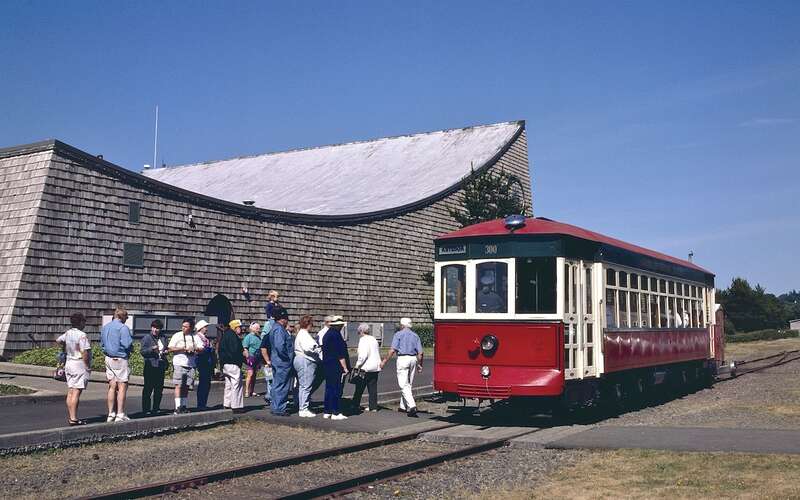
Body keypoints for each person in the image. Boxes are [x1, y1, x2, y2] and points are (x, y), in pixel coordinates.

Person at [381, 317, 423, 417]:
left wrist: (384, 361)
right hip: (413, 358)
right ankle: (402, 406)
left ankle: (412, 406)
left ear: (402, 325)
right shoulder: (415, 335)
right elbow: (420, 353)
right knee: (408, 384)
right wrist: (420, 364)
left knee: (403, 384)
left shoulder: (398, 334)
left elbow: (392, 350)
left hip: (403, 359)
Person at [56, 312, 92, 425]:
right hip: (78, 363)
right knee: (77, 391)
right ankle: (74, 418)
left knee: (71, 390)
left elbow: (58, 340)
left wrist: (64, 348)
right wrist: (87, 366)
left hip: (69, 362)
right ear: (81, 322)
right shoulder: (82, 335)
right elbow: (84, 352)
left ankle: (71, 416)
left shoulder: (68, 333)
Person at [100, 306, 133, 422]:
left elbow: (102, 345)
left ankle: (111, 413)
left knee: (112, 386)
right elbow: (127, 344)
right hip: (120, 358)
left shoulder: (105, 327)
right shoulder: (123, 328)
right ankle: (120, 413)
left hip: (108, 357)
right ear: (122, 316)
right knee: (122, 386)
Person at [168, 318, 204, 414]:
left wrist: (194, 348)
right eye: (183, 326)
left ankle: (183, 405)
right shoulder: (177, 335)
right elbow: (170, 348)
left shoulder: (195, 336)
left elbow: (202, 348)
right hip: (179, 363)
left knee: (186, 386)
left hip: (191, 364)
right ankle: (177, 406)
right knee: (179, 385)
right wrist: (182, 349)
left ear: (191, 327)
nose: (183, 328)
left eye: (186, 327)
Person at [267, 307, 295, 416]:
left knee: (277, 384)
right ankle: (279, 408)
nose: (287, 321)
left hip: (276, 360)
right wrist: (287, 357)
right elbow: (280, 346)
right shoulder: (279, 329)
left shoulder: (274, 328)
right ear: (282, 319)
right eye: (286, 319)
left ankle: (275, 406)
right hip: (282, 362)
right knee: (282, 385)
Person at [321, 315, 349, 420]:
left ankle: (327, 410)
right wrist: (345, 368)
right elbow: (340, 354)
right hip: (336, 365)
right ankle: (336, 411)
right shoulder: (337, 336)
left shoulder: (327, 334)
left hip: (327, 364)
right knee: (337, 388)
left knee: (329, 388)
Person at [293, 315, 321, 417]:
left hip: (300, 359)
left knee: (302, 385)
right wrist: (317, 349)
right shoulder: (304, 334)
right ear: (308, 324)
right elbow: (308, 348)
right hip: (305, 360)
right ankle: (303, 408)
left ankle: (301, 405)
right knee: (306, 385)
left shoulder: (301, 334)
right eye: (311, 324)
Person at [218, 316, 247, 412]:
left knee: (229, 385)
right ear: (235, 327)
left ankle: (227, 404)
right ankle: (236, 406)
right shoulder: (233, 336)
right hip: (233, 363)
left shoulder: (225, 335)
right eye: (239, 327)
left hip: (225, 364)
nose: (241, 329)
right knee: (236, 385)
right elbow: (235, 351)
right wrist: (243, 356)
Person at [351, 323, 381, 413]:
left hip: (366, 367)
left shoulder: (363, 340)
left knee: (359, 387)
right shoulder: (374, 339)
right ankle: (373, 407)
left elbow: (363, 355)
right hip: (375, 366)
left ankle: (355, 404)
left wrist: (357, 365)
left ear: (361, 331)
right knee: (372, 387)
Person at [140, 319, 168, 415]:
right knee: (148, 388)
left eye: (158, 328)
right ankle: (146, 409)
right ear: (151, 327)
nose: (155, 330)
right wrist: (151, 349)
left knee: (159, 389)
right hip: (150, 366)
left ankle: (156, 408)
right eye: (154, 327)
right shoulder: (147, 338)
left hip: (160, 365)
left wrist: (166, 352)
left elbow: (166, 348)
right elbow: (142, 352)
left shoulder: (163, 337)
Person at [195, 321, 214, 410]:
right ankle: (200, 404)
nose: (206, 329)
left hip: (208, 362)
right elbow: (200, 349)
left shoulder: (206, 338)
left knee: (207, 383)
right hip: (202, 361)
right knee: (203, 383)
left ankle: (203, 403)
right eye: (205, 327)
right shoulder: (197, 337)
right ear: (200, 328)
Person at [243, 322, 263, 397]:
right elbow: (245, 348)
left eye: (258, 328)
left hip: (257, 357)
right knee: (250, 373)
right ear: (252, 329)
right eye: (257, 328)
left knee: (254, 374)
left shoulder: (258, 337)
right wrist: (247, 357)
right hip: (251, 356)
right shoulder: (248, 337)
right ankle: (246, 391)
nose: (258, 330)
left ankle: (252, 390)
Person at [259, 325, 273, 405]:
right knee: (270, 380)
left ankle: (271, 396)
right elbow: (263, 349)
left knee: (272, 381)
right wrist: (267, 361)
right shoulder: (267, 337)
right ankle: (269, 396)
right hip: (268, 363)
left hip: (274, 362)